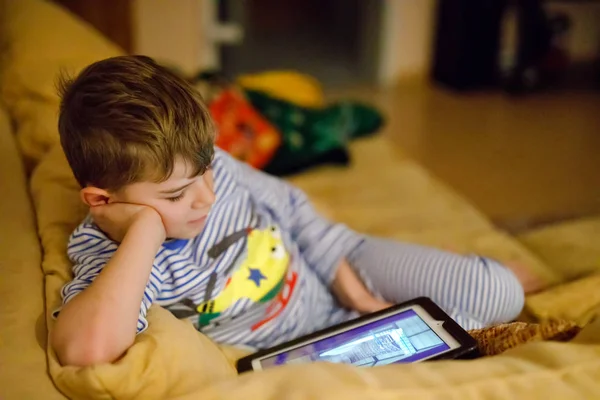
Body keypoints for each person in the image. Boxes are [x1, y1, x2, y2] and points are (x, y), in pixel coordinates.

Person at [51, 55, 525, 367]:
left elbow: (295, 211)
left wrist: (358, 296)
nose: (207, 198)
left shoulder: (203, 169)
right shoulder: (111, 254)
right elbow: (84, 349)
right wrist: (145, 232)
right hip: (304, 347)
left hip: (341, 264)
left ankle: (495, 271)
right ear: (102, 200)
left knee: (500, 290)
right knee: (470, 332)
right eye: (175, 196)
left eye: (208, 170)